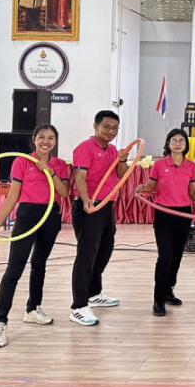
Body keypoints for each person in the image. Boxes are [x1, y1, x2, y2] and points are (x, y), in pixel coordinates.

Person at [0, 124, 70, 348]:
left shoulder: (60, 165)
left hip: (50, 216)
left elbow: (64, 192)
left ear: (55, 142)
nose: (46, 142)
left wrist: (49, 171)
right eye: (41, 137)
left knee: (39, 264)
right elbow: (13, 196)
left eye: (50, 138)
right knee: (14, 269)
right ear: (34, 139)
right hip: (27, 215)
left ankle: (33, 308)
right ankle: (0, 322)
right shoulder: (21, 162)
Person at [137, 129, 195, 317]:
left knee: (176, 256)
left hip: (183, 215)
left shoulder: (191, 166)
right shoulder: (159, 165)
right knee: (165, 256)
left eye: (181, 140)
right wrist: (143, 188)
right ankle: (158, 300)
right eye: (174, 140)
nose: (177, 143)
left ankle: (168, 290)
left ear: (186, 144)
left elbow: (193, 192)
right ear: (168, 143)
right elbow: (151, 187)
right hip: (163, 214)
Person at [69, 110, 128, 326]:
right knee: (86, 256)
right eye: (106, 127)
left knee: (104, 251)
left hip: (107, 206)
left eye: (115, 128)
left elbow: (122, 174)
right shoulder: (84, 148)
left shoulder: (112, 150)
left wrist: (123, 160)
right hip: (89, 207)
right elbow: (80, 176)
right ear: (96, 126)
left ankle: (93, 293)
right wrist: (86, 200)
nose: (111, 131)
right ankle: (78, 306)